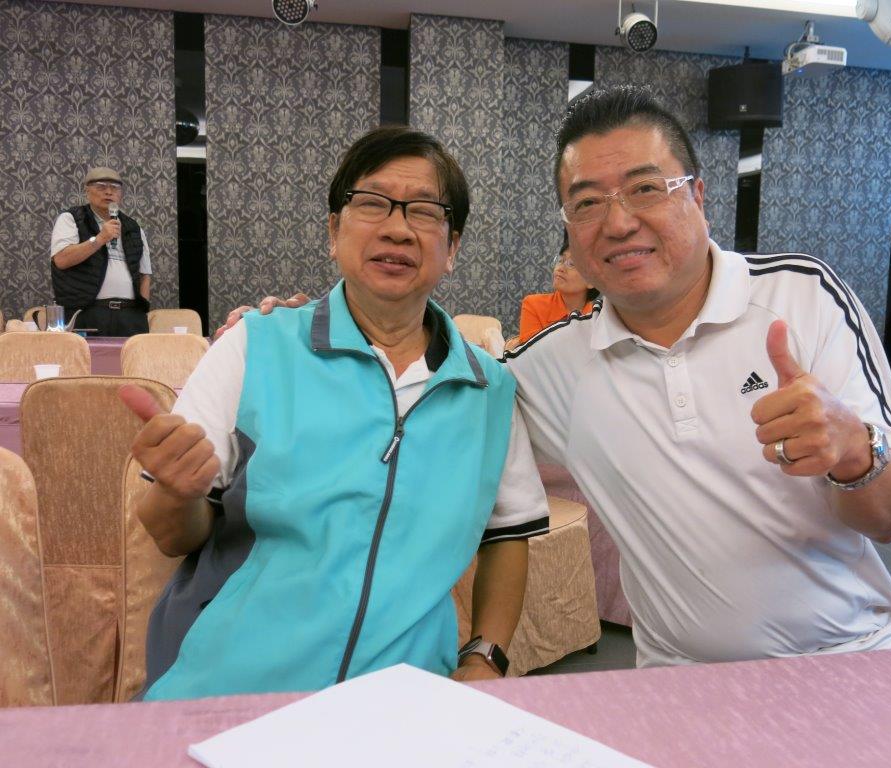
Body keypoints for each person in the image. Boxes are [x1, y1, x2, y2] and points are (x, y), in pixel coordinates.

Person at [222, 86, 891, 668]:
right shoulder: (548, 365)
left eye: (645, 188)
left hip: (857, 654)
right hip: (678, 679)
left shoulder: (803, 296)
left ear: (698, 195)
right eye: (587, 203)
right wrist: (300, 330)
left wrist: (853, 450)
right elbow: (427, 387)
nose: (618, 223)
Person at [119, 127, 549, 701]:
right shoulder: (254, 347)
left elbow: (506, 534)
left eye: (424, 211)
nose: (397, 228)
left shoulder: (488, 389)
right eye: (372, 203)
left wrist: (485, 657)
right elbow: (173, 535)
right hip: (230, 686)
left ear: (452, 248)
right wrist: (177, 492)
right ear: (333, 231)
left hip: (403, 699)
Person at [50, 167, 152, 336]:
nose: (109, 192)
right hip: (87, 312)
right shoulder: (71, 218)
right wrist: (100, 238)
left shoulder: (134, 227)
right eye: (101, 187)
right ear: (87, 191)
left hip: (130, 316)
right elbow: (61, 259)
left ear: (121, 194)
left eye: (115, 188)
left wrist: (142, 312)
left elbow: (144, 275)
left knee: (132, 354)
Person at [517, 232, 598, 342]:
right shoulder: (534, 305)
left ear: (591, 281)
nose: (560, 268)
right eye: (560, 260)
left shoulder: (598, 318)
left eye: (571, 264)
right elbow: (531, 351)